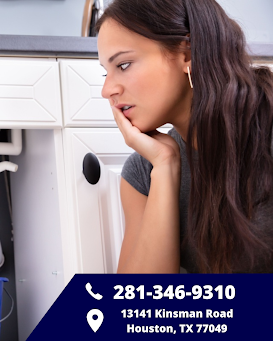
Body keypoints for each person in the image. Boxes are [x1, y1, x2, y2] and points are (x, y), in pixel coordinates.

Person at [95, 0, 273, 273]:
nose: (107, 90)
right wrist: (165, 167)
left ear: (187, 53)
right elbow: (138, 307)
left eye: (124, 64)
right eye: (106, 73)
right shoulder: (144, 171)